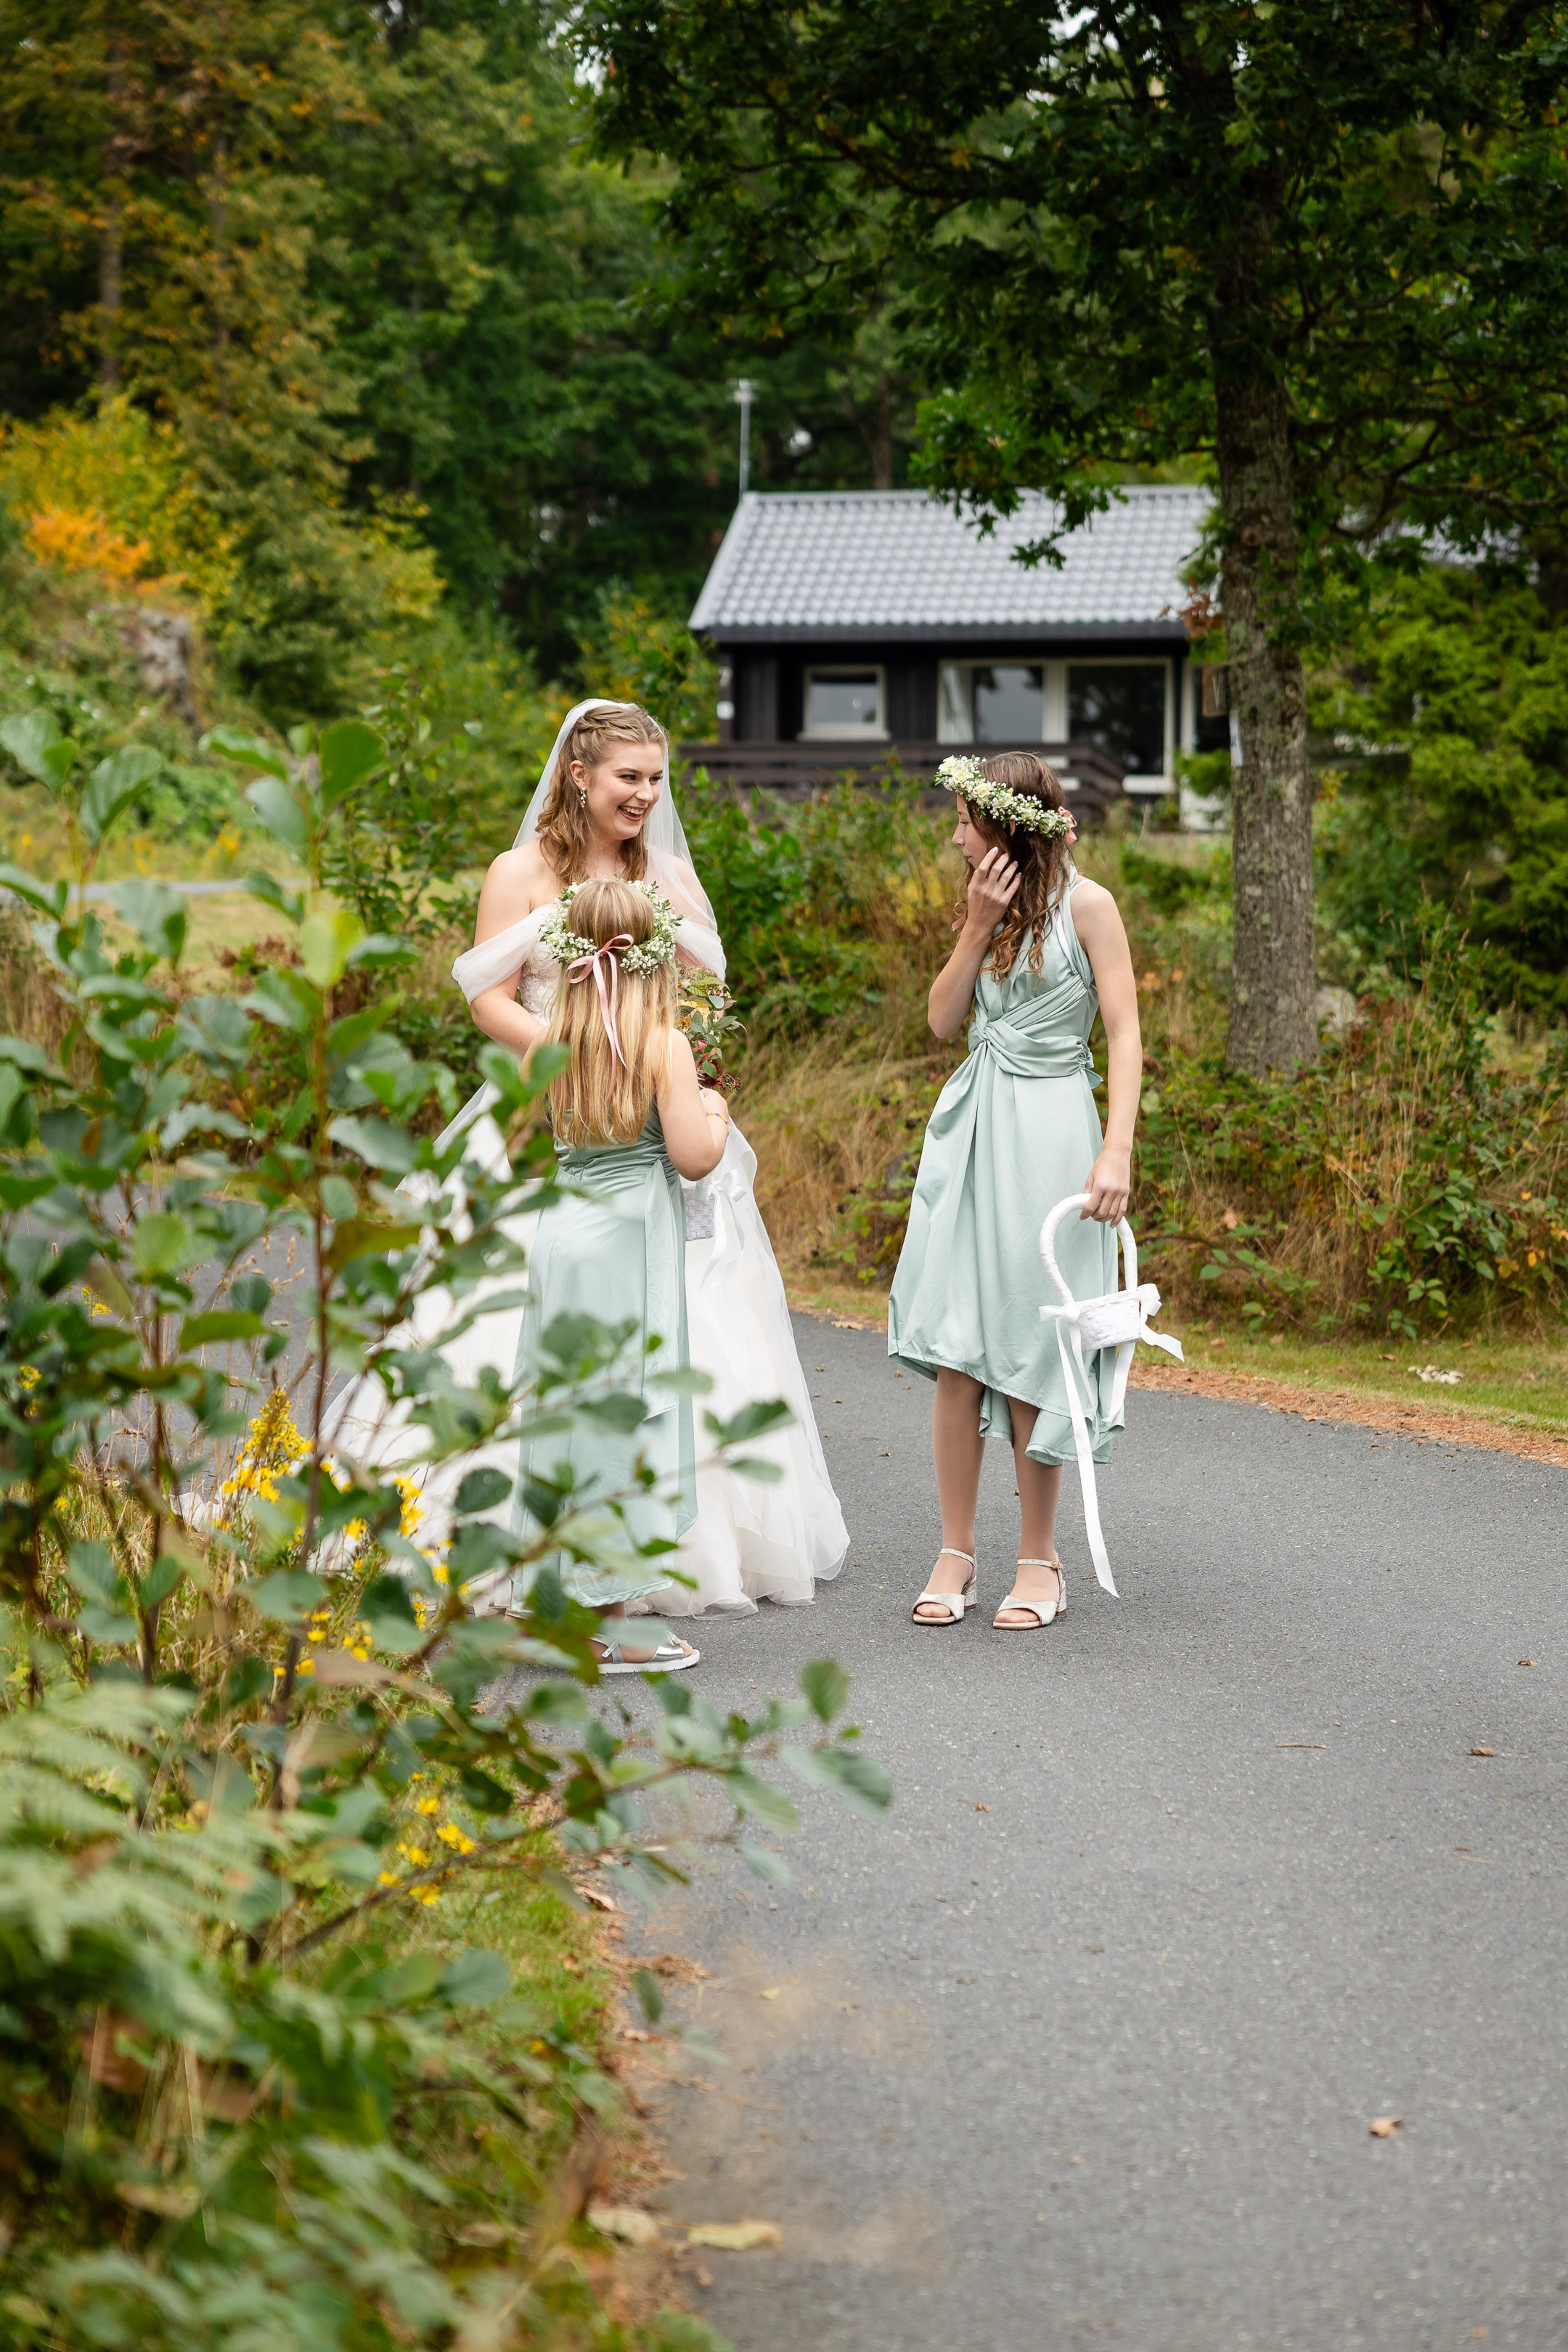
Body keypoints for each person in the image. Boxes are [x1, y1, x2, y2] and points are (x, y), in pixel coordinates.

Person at [446, 699, 849, 1617]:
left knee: (693, 1322)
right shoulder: (519, 874)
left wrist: (683, 1077)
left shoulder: (666, 876)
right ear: (578, 775)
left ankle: (679, 1547)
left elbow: (707, 997)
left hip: (660, 1126)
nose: (646, 795)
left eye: (656, 779)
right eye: (630, 776)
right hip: (556, 1109)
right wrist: (572, 1054)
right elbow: (487, 997)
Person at [886, 752, 1141, 1633]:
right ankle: (955, 1550)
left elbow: (1125, 1028)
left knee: (1041, 1344)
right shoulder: (981, 903)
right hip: (974, 1129)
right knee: (959, 1346)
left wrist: (1118, 1147)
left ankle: (1042, 1559)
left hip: (1053, 1131)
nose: (956, 834)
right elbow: (941, 1022)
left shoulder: (1089, 905)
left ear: (1009, 825)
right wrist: (974, 926)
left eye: (966, 819)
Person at [513, 873, 728, 1672]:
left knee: (569, 1409)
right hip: (630, 1237)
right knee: (624, 1410)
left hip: (566, 1235)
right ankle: (612, 1622)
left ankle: (559, 1603)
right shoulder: (661, 1043)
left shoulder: (545, 1038)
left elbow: (530, 1140)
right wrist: (713, 1107)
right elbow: (694, 1159)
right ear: (656, 956)